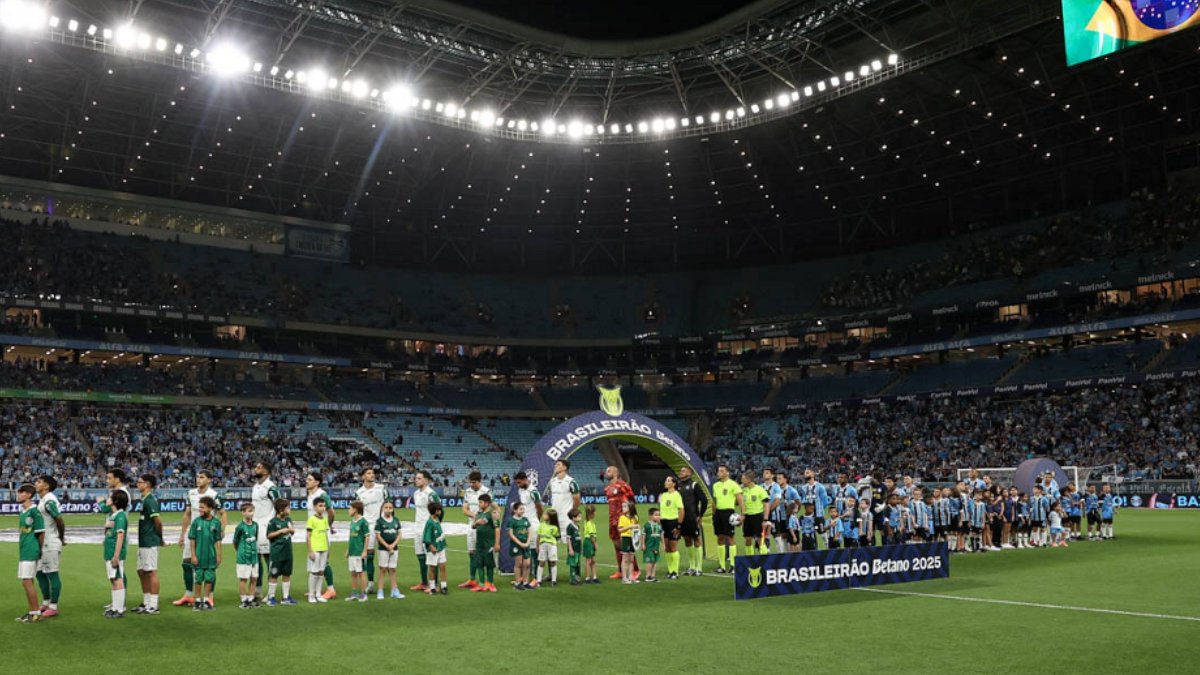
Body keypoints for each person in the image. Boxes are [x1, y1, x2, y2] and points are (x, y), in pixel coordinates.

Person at [175, 470, 224, 607]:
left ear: (209, 480)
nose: (198, 479)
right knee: (186, 563)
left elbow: (223, 513)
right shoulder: (191, 493)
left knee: (210, 566)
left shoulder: (214, 495)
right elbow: (187, 514)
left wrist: (221, 530)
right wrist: (182, 534)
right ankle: (189, 595)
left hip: (208, 534)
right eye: (197, 476)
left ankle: (209, 596)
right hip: (193, 533)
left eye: (201, 477)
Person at [33, 475, 65, 618]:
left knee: (52, 573)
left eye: (39, 482)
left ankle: (53, 606)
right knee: (39, 573)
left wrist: (61, 537)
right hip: (42, 543)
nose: (36, 483)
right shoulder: (43, 500)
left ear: (46, 486)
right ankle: (46, 602)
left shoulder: (49, 500)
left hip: (50, 542)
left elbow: (58, 518)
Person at [250, 461, 282, 605]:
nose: (256, 469)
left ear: (267, 472)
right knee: (256, 560)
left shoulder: (271, 487)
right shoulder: (256, 486)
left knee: (269, 559)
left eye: (259, 467)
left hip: (266, 526)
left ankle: (271, 592)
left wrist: (274, 523)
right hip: (255, 526)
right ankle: (257, 590)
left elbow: (279, 505)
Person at [355, 468, 388, 594]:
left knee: (385, 554)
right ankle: (370, 583)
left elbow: (388, 503)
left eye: (373, 473)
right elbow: (357, 510)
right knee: (369, 555)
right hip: (367, 526)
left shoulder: (381, 488)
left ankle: (386, 584)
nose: (372, 475)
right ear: (363, 476)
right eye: (368, 473)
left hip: (380, 524)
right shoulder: (359, 492)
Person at [15, 484, 45, 623]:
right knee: (27, 581)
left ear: (28, 495)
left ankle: (36, 613)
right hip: (24, 549)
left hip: (31, 550)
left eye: (21, 493)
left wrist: (39, 550)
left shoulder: (34, 511)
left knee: (27, 582)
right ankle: (32, 611)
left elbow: (41, 532)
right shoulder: (23, 511)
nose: (18, 495)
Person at [306, 472, 338, 600]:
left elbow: (331, 513)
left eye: (310, 479)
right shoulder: (310, 495)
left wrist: (327, 527)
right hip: (313, 532)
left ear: (317, 482)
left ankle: (331, 589)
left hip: (321, 534)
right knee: (315, 562)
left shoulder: (322, 495)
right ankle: (314, 591)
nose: (307, 481)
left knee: (324, 562)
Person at [134, 474, 163, 615]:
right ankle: (146, 602)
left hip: (150, 541)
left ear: (147, 484)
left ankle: (153, 604)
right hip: (143, 541)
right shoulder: (144, 499)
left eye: (140, 482)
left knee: (151, 571)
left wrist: (160, 538)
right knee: (141, 571)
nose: (137, 484)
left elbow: (158, 521)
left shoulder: (150, 500)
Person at [603, 466, 638, 580]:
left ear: (616, 473)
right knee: (617, 546)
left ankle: (634, 570)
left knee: (627, 546)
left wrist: (631, 516)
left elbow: (632, 500)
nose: (606, 473)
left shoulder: (623, 485)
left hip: (623, 520)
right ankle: (620, 571)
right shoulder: (607, 488)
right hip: (612, 520)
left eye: (609, 471)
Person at [188, 495, 222, 612]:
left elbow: (218, 540)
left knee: (209, 579)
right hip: (198, 556)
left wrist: (219, 555)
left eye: (202, 507)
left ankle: (207, 600)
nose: (200, 510)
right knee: (198, 579)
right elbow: (192, 539)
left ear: (210, 508)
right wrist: (193, 555)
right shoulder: (196, 522)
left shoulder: (216, 523)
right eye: (199, 507)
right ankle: (197, 601)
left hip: (211, 556)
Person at [459, 470, 490, 590]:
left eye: (474, 483)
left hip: (484, 528)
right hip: (472, 526)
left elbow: (493, 508)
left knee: (483, 554)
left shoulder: (487, 491)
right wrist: (475, 516)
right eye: (470, 482)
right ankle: (472, 579)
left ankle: (486, 581)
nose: (471, 485)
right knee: (471, 553)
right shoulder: (467, 492)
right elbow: (465, 509)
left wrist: (483, 518)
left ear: (480, 481)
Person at [411, 470, 440, 592]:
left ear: (426, 480)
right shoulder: (416, 493)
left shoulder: (431, 494)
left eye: (419, 478)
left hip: (427, 528)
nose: (416, 480)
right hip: (417, 527)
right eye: (416, 478)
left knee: (432, 556)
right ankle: (424, 583)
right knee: (420, 556)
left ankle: (435, 584)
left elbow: (439, 511)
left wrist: (433, 528)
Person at [103, 489, 130, 618]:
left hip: (114, 553)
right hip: (109, 552)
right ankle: (115, 607)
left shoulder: (120, 516)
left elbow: (120, 535)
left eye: (110, 497)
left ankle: (119, 610)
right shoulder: (114, 516)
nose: (107, 499)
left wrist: (116, 555)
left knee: (118, 579)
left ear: (115, 501)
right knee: (113, 579)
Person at [677, 466, 708, 576]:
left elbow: (704, 500)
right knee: (687, 540)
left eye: (683, 471)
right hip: (683, 518)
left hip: (692, 517)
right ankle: (692, 566)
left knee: (696, 539)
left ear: (689, 473)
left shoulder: (694, 485)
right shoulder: (678, 486)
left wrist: (700, 515)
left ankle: (699, 568)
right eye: (681, 471)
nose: (681, 472)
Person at [266, 498, 297, 606]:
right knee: (274, 575)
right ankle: (271, 597)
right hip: (277, 554)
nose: (290, 509)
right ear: (281, 510)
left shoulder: (288, 520)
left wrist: (292, 531)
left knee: (287, 574)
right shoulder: (273, 522)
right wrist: (280, 531)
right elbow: (269, 535)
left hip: (288, 553)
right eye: (288, 507)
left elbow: (292, 532)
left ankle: (285, 597)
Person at [468, 494, 499, 593]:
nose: (479, 504)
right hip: (479, 544)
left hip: (489, 544)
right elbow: (473, 526)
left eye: (480, 502)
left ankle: (490, 583)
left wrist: (497, 544)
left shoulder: (493, 514)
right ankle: (481, 584)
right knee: (479, 564)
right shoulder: (478, 514)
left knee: (489, 565)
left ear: (487, 503)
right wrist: (477, 523)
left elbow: (497, 529)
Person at [547, 460, 581, 545]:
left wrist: (572, 512)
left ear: (565, 467)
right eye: (555, 464)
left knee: (569, 541)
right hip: (553, 516)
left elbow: (577, 499)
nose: (555, 466)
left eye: (558, 464)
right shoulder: (552, 481)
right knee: (552, 541)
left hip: (566, 517)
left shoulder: (571, 482)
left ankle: (571, 557)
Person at [374, 501, 404, 599]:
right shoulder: (379, 521)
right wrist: (387, 545)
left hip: (394, 548)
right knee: (382, 569)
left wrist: (393, 545)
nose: (388, 509)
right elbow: (378, 536)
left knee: (393, 569)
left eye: (390, 507)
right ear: (383, 509)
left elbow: (399, 534)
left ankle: (394, 590)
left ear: (393, 509)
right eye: (386, 507)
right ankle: (380, 591)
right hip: (383, 549)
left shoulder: (396, 520)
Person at [232, 503, 260, 609]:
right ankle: (244, 600)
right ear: (242, 513)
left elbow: (255, 537)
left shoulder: (255, 525)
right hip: (243, 557)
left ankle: (251, 599)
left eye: (252, 511)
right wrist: (240, 552)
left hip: (254, 557)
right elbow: (235, 541)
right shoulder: (240, 527)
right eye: (248, 511)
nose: (250, 513)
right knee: (243, 579)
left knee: (254, 578)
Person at [306, 496, 331, 603]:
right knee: (314, 572)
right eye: (320, 506)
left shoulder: (325, 519)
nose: (323, 508)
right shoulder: (311, 519)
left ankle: (318, 593)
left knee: (321, 571)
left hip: (324, 548)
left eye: (324, 506)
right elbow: (308, 536)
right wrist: (310, 551)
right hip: (315, 548)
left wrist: (328, 549)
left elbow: (326, 535)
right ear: (314, 507)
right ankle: (311, 594)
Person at [658, 476, 684, 580]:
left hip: (673, 522)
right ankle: (670, 570)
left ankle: (675, 571)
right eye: (666, 480)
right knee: (667, 548)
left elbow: (681, 510)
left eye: (668, 480)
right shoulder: (663, 495)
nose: (666, 482)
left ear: (674, 484)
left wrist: (679, 525)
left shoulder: (676, 495)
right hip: (664, 522)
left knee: (673, 547)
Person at [769, 472, 801, 553]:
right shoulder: (774, 490)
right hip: (778, 518)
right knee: (781, 537)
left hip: (789, 519)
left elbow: (798, 504)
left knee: (793, 539)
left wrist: (793, 514)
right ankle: (784, 556)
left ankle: (795, 556)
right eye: (777, 479)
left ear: (785, 479)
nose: (778, 480)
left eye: (780, 478)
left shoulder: (792, 490)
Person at [346, 500, 371, 602]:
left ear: (355, 510)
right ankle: (354, 593)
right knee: (353, 573)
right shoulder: (352, 522)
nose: (349, 510)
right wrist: (348, 550)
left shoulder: (363, 522)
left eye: (350, 508)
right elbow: (351, 537)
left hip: (359, 551)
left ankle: (363, 593)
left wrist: (365, 551)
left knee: (361, 573)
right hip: (352, 551)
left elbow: (367, 536)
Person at [740, 472, 769, 555]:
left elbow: (766, 505)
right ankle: (750, 559)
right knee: (748, 539)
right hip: (747, 517)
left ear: (749, 480)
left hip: (757, 517)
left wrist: (765, 519)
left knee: (760, 539)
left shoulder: (759, 490)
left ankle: (765, 559)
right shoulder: (742, 490)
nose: (741, 480)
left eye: (743, 479)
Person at [422, 502, 448, 595]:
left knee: (442, 567)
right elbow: (426, 537)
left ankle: (444, 586)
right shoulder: (429, 522)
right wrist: (431, 546)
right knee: (432, 568)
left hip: (441, 548)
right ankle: (432, 587)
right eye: (439, 510)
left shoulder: (437, 520)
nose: (440, 511)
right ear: (435, 511)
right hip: (433, 549)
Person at [507, 502, 533, 590]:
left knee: (527, 564)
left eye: (523, 509)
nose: (522, 511)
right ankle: (518, 583)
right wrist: (520, 543)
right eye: (520, 509)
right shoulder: (511, 520)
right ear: (515, 510)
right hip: (517, 545)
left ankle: (526, 582)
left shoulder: (525, 519)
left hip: (526, 544)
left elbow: (529, 531)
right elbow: (510, 534)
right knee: (519, 564)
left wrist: (528, 542)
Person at [617, 501, 640, 585]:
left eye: (625, 507)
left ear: (630, 508)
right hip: (626, 538)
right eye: (622, 507)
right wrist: (629, 527)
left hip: (633, 538)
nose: (623, 508)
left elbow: (637, 528)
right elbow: (620, 529)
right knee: (625, 558)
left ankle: (631, 577)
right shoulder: (622, 518)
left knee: (631, 559)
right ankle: (624, 578)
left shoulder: (635, 518)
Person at [536, 509, 560, 587]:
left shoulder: (554, 527)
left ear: (550, 517)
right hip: (543, 545)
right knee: (541, 562)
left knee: (553, 562)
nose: (544, 515)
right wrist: (537, 546)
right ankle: (539, 580)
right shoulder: (541, 525)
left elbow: (556, 537)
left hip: (552, 546)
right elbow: (538, 536)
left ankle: (554, 580)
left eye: (545, 514)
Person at [642, 507, 663, 583]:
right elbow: (643, 535)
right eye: (656, 515)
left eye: (659, 515)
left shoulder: (659, 526)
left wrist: (663, 544)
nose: (658, 517)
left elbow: (661, 535)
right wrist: (643, 544)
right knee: (650, 561)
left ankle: (653, 576)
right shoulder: (647, 525)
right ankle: (648, 576)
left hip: (656, 547)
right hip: (649, 546)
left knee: (655, 561)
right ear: (650, 516)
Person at [582, 505, 600, 584]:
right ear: (591, 513)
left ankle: (594, 577)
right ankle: (587, 578)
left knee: (593, 560)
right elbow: (591, 535)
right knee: (589, 560)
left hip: (589, 541)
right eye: (594, 512)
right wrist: (595, 543)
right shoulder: (589, 523)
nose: (595, 513)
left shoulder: (588, 522)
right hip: (589, 541)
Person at [565, 507, 583, 586]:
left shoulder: (578, 526)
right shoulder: (570, 527)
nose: (580, 518)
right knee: (573, 564)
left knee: (577, 563)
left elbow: (578, 537)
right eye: (579, 516)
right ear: (573, 517)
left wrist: (581, 547)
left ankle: (577, 577)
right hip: (573, 548)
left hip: (578, 548)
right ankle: (572, 578)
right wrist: (570, 549)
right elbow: (568, 539)